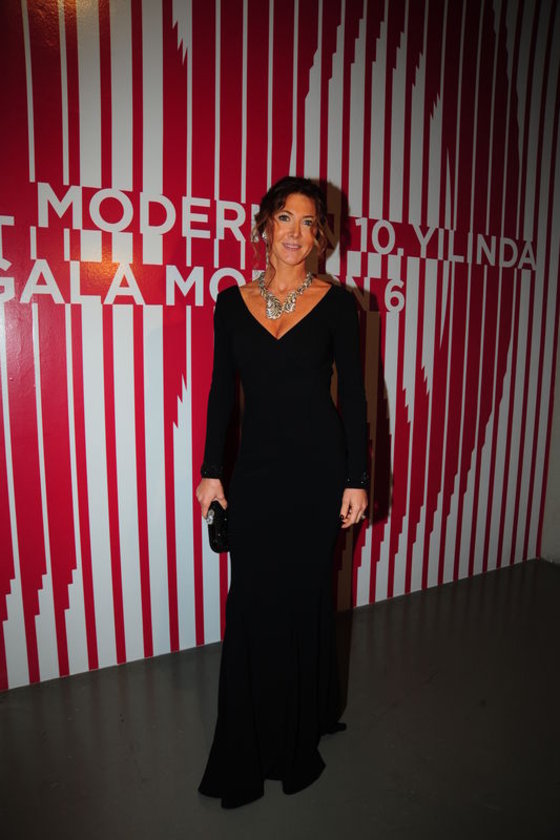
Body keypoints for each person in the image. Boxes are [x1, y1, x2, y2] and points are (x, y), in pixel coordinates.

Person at [195, 176, 369, 808]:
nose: (296, 232)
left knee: (306, 599)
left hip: (319, 474)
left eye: (308, 222)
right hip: (258, 477)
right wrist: (212, 470)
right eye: (285, 218)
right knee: (251, 605)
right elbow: (221, 392)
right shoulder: (230, 302)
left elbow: (355, 396)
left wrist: (357, 477)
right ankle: (246, 747)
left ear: (320, 235)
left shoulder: (338, 304)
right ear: (264, 225)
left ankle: (305, 725)